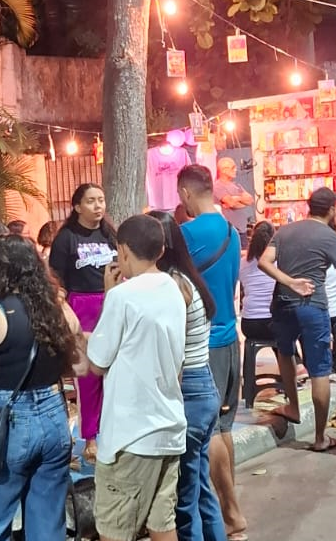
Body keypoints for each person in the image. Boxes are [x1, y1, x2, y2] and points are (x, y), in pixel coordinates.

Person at [0, 233, 87, 541]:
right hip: (56, 418)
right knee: (47, 527)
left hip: (11, 423)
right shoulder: (58, 308)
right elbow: (80, 366)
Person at [87, 215, 187, 541]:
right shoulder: (173, 288)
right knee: (162, 523)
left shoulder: (122, 296)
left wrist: (108, 296)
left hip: (132, 434)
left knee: (114, 529)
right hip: (169, 424)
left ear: (124, 250)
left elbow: (98, 363)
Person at [176, 165, 245, 539]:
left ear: (186, 193)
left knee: (211, 432)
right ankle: (229, 509)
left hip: (207, 344)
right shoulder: (232, 231)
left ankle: (231, 515)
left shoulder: (186, 234)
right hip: (230, 339)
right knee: (225, 426)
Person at [149, 211, 227, 541]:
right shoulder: (189, 278)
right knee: (200, 488)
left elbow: (173, 354)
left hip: (190, 393)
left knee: (184, 498)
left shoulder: (173, 286)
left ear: (160, 247)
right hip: (204, 387)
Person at [258, 187, 336, 453]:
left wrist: (289, 282)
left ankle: (293, 406)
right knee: (319, 369)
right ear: (332, 210)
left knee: (286, 354)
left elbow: (264, 262)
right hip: (313, 307)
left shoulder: (285, 231)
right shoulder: (332, 238)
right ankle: (321, 436)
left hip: (282, 305)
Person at [49, 182, 117, 462]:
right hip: (81, 307)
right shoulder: (66, 238)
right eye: (91, 201)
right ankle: (89, 437)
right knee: (88, 376)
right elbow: (55, 276)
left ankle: (113, 431)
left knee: (114, 372)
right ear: (77, 206)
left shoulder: (110, 234)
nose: (98, 206)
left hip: (111, 302)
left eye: (101, 200)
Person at [239, 222, 277, 341]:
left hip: (249, 323)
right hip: (274, 321)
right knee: (285, 339)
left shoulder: (243, 263)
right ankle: (291, 359)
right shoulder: (279, 261)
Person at [213, 157, 255, 234]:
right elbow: (231, 203)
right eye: (233, 168)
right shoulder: (217, 186)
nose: (235, 170)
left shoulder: (237, 185)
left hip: (242, 230)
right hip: (229, 232)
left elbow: (250, 200)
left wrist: (237, 198)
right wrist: (241, 200)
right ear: (224, 170)